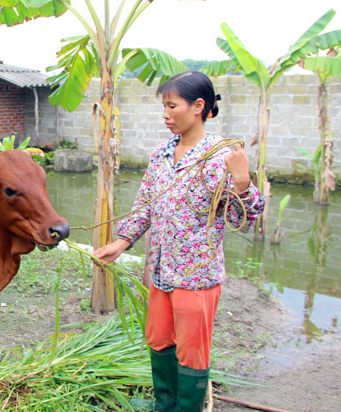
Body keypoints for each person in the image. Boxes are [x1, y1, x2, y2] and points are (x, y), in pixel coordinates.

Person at [93, 71, 265, 412]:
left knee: (192, 352)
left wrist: (243, 181)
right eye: (164, 106)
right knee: (159, 341)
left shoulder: (221, 158)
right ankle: (164, 405)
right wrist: (123, 240)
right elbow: (145, 205)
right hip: (161, 271)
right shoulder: (161, 153)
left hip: (196, 276)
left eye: (172, 106)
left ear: (199, 106)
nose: (165, 114)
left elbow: (241, 221)